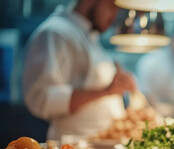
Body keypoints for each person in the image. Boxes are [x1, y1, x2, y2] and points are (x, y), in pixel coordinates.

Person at [22, 0, 136, 140]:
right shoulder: (55, 32)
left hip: (100, 148)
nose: (115, 14)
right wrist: (105, 91)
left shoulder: (88, 36)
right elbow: (41, 98)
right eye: (112, 6)